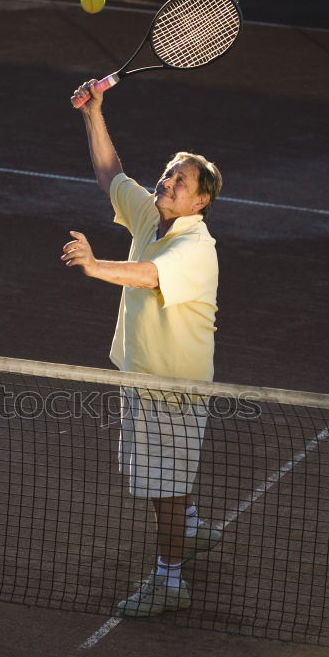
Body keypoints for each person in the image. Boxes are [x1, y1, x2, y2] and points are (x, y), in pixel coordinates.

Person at [63, 79, 222, 617]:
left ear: (201, 201)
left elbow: (150, 275)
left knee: (165, 487)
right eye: (169, 173)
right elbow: (112, 175)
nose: (168, 181)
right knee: (161, 477)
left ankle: (170, 579)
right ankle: (194, 527)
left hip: (172, 391)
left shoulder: (195, 247)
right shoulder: (153, 215)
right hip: (141, 375)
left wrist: (94, 265)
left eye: (181, 181)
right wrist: (94, 112)